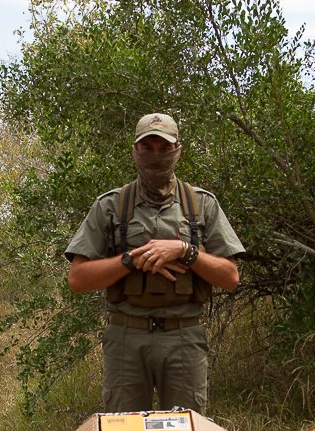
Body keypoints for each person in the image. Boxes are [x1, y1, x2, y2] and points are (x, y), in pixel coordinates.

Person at [65, 113, 244, 414]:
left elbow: (230, 277)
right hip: (126, 338)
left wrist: (185, 251)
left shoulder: (202, 205)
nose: (156, 155)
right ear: (135, 150)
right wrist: (132, 259)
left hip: (184, 336)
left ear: (178, 150)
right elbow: (78, 279)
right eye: (147, 147)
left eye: (164, 148)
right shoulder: (110, 205)